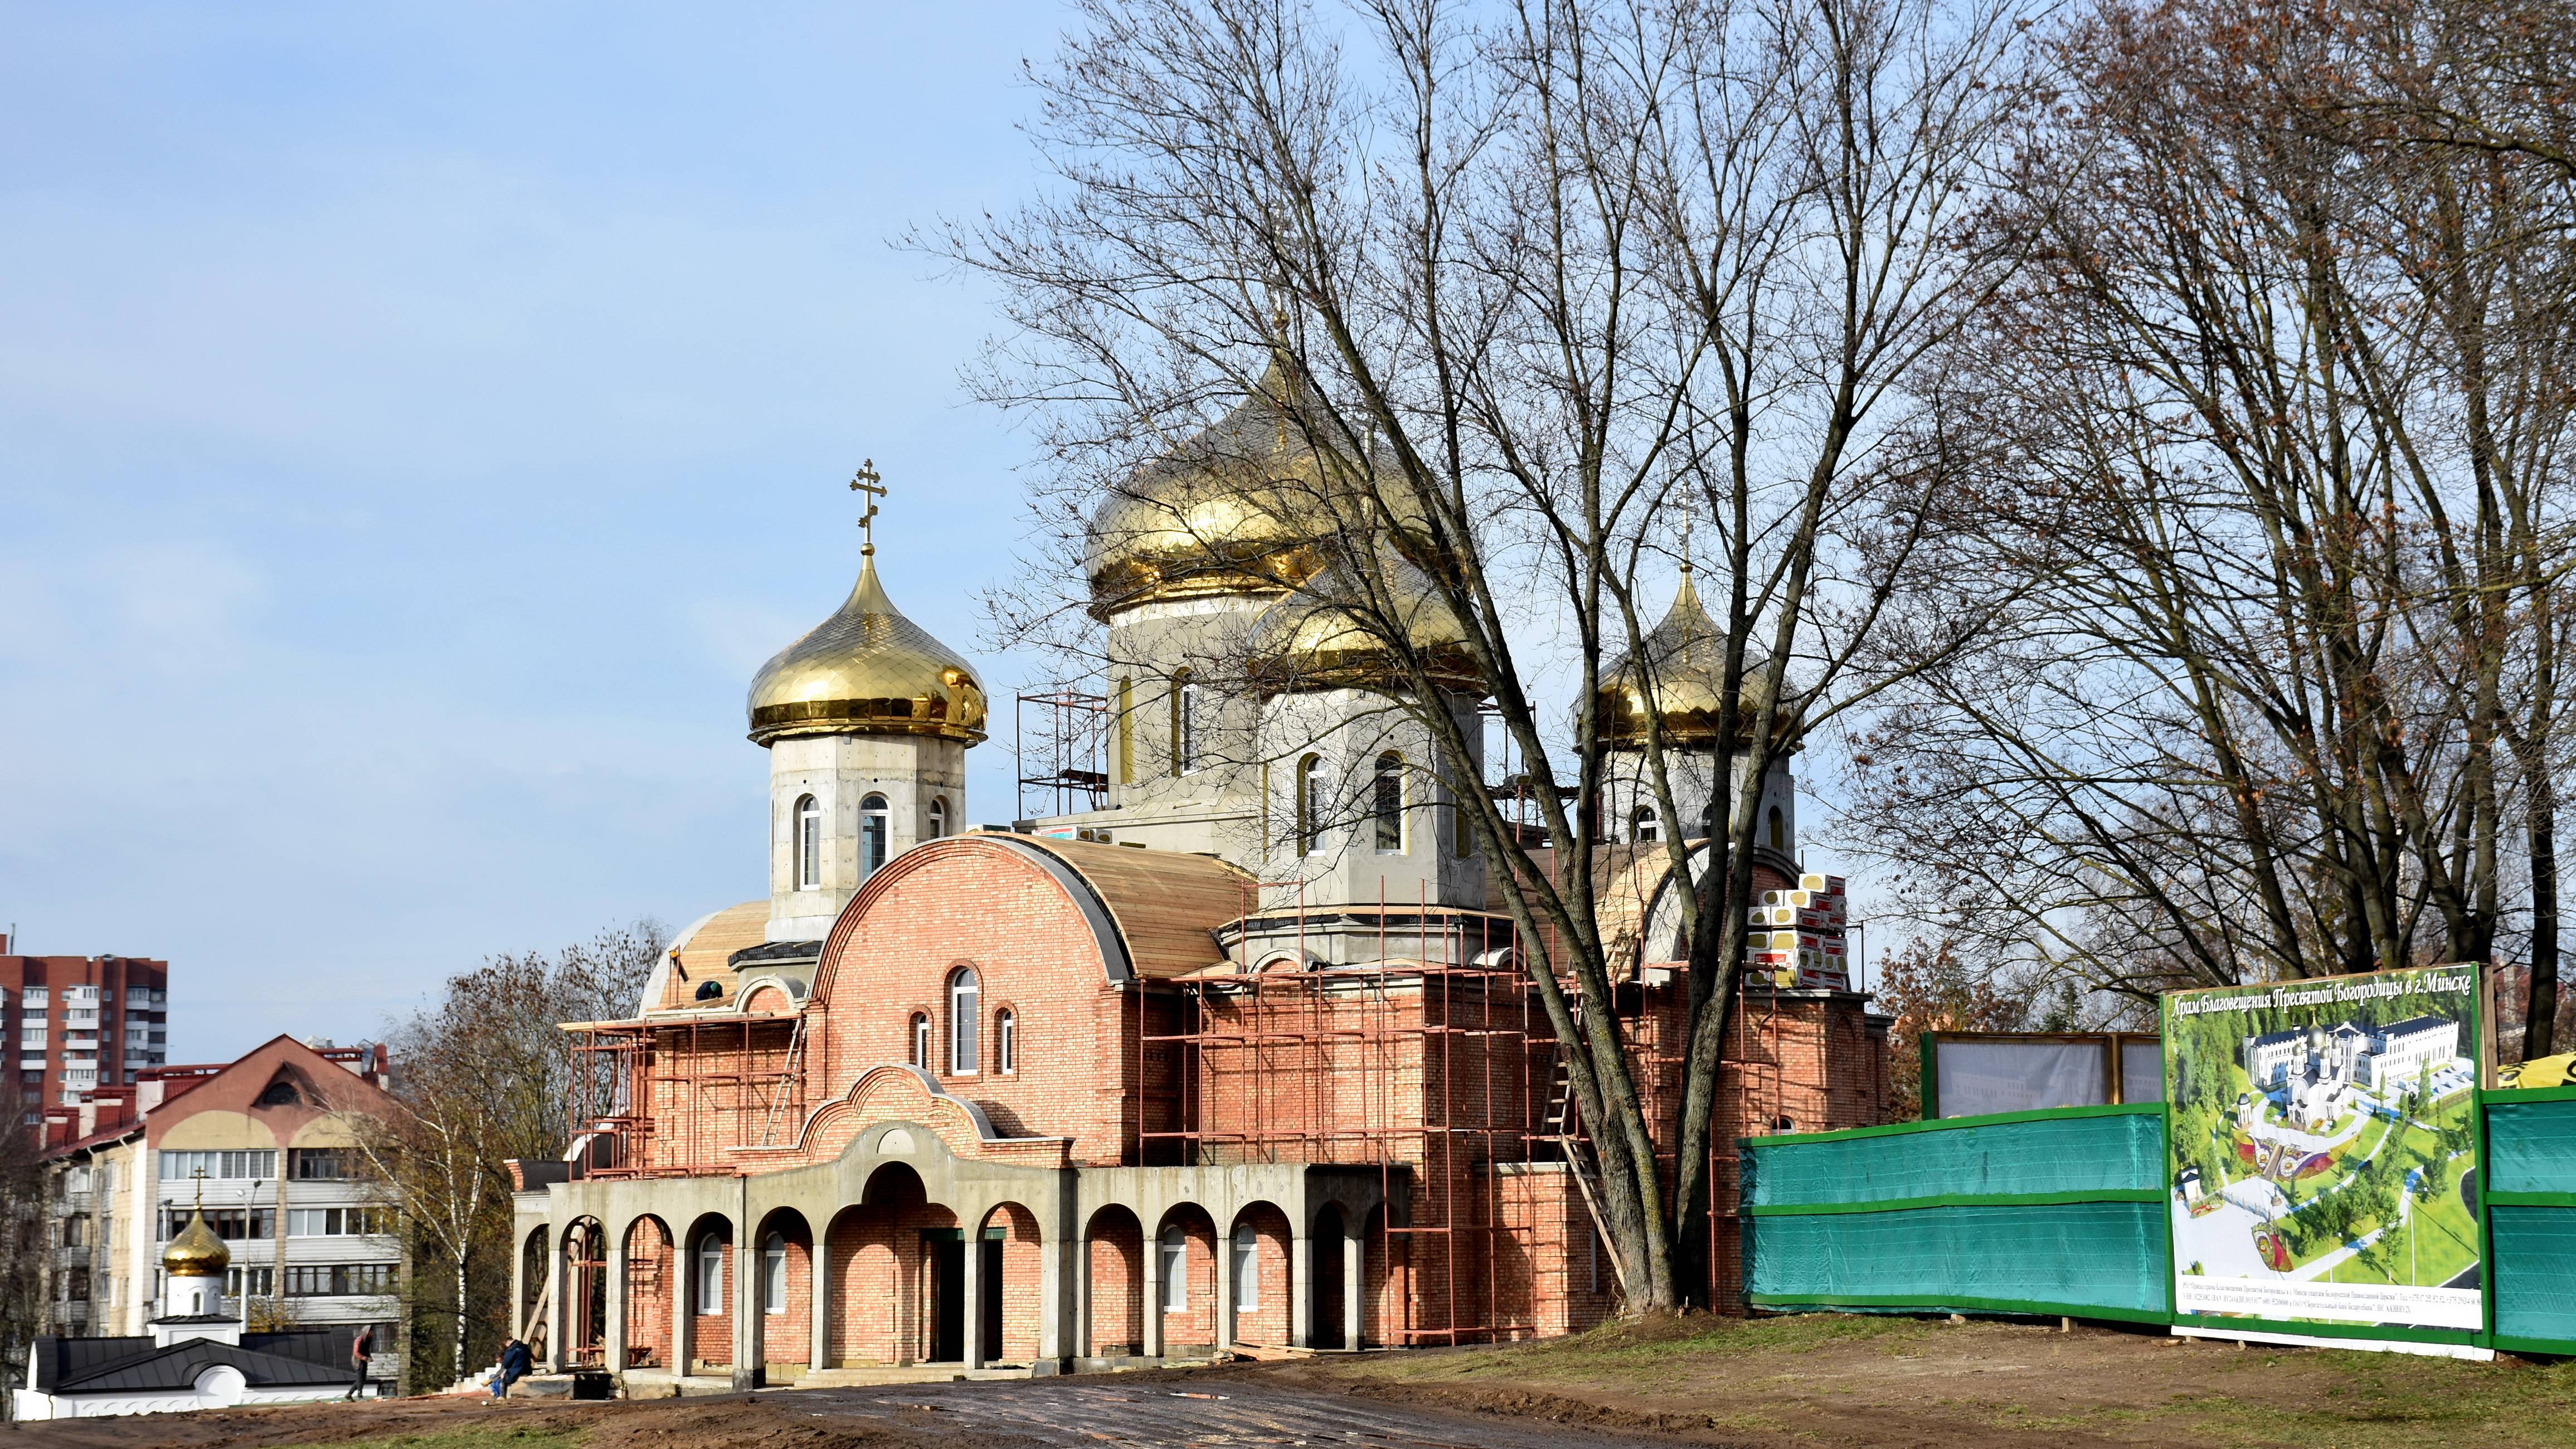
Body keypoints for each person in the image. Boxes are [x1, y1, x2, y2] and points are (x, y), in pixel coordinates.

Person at [490, 1337, 532, 1401]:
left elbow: (507, 1363)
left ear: (508, 1342)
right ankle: (496, 1392)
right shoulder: (525, 1348)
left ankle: (502, 1396)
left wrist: (504, 1372)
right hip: (527, 1369)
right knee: (500, 1376)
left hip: (517, 1370)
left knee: (503, 1378)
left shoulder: (512, 1349)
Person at [344, 1324, 376, 1401]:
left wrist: (369, 1357)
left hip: (364, 1361)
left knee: (362, 1379)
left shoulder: (368, 1340)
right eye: (370, 1332)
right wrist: (364, 1358)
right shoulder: (359, 1340)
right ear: (366, 1332)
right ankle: (360, 1395)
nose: (372, 1334)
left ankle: (350, 1394)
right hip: (358, 1361)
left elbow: (366, 1350)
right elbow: (356, 1353)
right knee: (360, 1378)